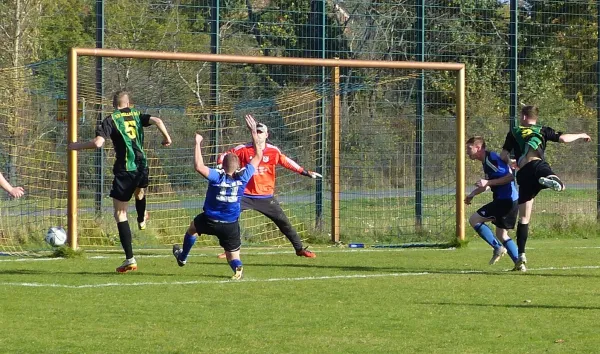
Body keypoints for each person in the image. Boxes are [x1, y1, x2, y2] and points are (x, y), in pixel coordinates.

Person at [68, 90, 172, 273]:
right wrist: (167, 138)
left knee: (120, 214)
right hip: (142, 166)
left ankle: (130, 259)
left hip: (125, 170)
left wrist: (76, 146)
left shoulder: (110, 119)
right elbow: (158, 120)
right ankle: (141, 219)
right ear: (128, 103)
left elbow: (98, 143)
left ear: (114, 104)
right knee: (140, 192)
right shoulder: (137, 115)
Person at [500, 105, 591, 271]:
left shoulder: (513, 132)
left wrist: (511, 163)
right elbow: (563, 139)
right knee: (560, 185)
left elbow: (503, 155)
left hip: (523, 173)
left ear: (525, 117)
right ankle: (547, 180)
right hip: (537, 166)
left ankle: (521, 256)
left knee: (524, 218)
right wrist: (581, 134)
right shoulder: (542, 130)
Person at [215, 117, 322, 259]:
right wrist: (220, 164)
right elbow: (225, 155)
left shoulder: (273, 151)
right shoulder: (243, 150)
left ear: (266, 135)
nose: (258, 134)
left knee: (283, 222)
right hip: (244, 195)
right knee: (228, 219)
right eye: (256, 132)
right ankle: (230, 250)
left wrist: (304, 172)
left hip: (265, 196)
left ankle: (300, 249)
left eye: (261, 132)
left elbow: (287, 162)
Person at [172, 114, 262, 280]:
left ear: (222, 165)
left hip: (209, 220)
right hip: (230, 224)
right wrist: (253, 132)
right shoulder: (243, 177)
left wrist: (197, 143)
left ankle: (183, 257)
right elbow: (258, 156)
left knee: (192, 229)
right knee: (232, 256)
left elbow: (199, 166)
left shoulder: (217, 176)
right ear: (238, 167)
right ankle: (237, 267)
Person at [465, 136, 519, 267]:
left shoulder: (491, 160)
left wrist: (488, 182)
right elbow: (489, 184)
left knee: (474, 220)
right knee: (501, 234)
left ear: (478, 148)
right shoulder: (487, 161)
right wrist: (473, 194)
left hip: (505, 200)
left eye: (469, 148)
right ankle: (519, 263)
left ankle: (497, 248)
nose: (466, 151)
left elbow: (510, 177)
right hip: (511, 200)